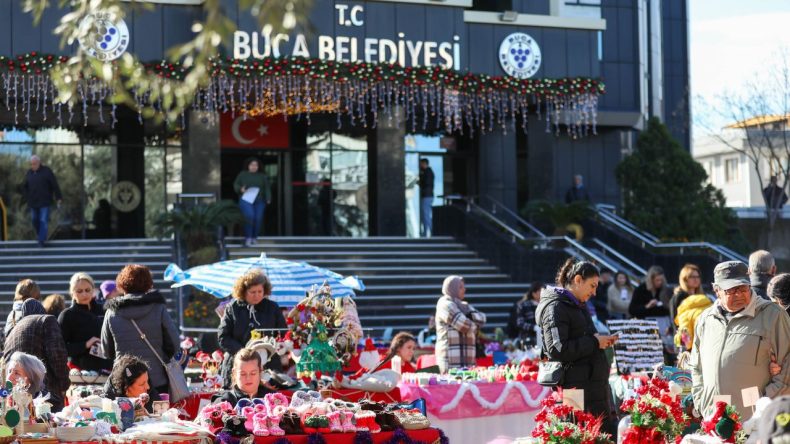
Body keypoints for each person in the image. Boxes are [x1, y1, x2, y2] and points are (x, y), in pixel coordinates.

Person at [689, 261, 790, 420]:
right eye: (731, 290)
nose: (739, 294)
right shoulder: (705, 320)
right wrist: (701, 401)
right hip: (713, 419)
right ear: (717, 290)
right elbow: (696, 366)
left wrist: (764, 404)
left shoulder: (773, 315)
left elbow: (787, 367)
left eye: (743, 288)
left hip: (754, 420)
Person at [536, 259, 618, 435]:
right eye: (592, 286)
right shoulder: (556, 306)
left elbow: (584, 338)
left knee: (599, 435)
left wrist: (600, 340)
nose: (595, 292)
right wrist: (595, 342)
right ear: (578, 280)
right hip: (573, 389)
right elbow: (557, 349)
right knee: (577, 434)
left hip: (593, 386)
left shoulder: (577, 304)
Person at [102, 264, 180, 396]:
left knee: (124, 415)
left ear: (122, 284)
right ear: (148, 283)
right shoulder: (158, 308)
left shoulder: (111, 312)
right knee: (158, 415)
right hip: (156, 378)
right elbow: (174, 343)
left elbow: (107, 351)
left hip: (124, 379)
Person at [218, 269, 287, 388]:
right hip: (238, 362)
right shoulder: (233, 308)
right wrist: (245, 353)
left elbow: (283, 334)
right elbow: (223, 337)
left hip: (268, 364)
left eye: (260, 291)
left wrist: (271, 348)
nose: (257, 295)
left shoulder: (272, 307)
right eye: (252, 292)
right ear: (243, 291)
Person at [3, 299, 68, 412]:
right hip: (44, 395)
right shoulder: (47, 320)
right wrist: (64, 385)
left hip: (15, 394)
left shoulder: (15, 329)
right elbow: (58, 357)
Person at [58, 273, 112, 372]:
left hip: (107, 367)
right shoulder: (67, 315)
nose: (84, 294)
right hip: (81, 371)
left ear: (93, 290)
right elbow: (60, 348)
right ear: (72, 293)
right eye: (79, 291)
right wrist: (86, 344)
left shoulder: (104, 310)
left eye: (87, 290)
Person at [434, 275, 486, 373]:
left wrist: (470, 317)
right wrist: (474, 324)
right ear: (451, 288)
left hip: (467, 362)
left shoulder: (464, 305)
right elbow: (464, 325)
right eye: (460, 287)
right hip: (451, 363)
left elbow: (483, 319)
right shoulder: (445, 304)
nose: (464, 289)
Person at [21, 155, 62, 247]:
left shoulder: (47, 171)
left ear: (39, 163)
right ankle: (41, 235)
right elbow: (24, 186)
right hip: (33, 202)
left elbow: (54, 184)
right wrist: (27, 197)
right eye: (31, 164)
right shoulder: (29, 173)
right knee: (34, 220)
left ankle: (41, 240)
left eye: (34, 164)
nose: (33, 166)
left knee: (43, 220)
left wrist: (58, 197)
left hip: (45, 202)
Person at [233, 157, 272, 247]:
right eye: (252, 165)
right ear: (248, 166)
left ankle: (254, 237)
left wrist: (268, 198)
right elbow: (236, 184)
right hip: (246, 199)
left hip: (259, 200)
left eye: (256, 165)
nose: (254, 167)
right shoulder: (242, 174)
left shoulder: (262, 176)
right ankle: (248, 238)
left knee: (258, 218)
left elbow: (267, 188)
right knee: (250, 216)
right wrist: (240, 189)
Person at [418, 158, 435, 237]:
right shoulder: (427, 172)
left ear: (424, 164)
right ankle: (425, 233)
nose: (420, 166)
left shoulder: (428, 172)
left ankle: (430, 232)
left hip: (427, 196)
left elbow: (426, 183)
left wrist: (420, 180)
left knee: (426, 215)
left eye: (421, 164)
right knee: (424, 215)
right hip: (427, 195)